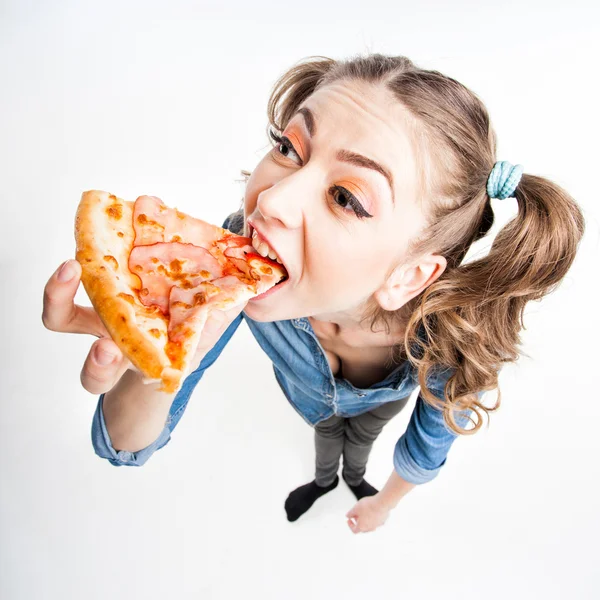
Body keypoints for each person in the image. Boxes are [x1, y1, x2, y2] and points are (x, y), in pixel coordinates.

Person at [42, 54, 585, 534]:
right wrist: (153, 356)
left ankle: (355, 479)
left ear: (408, 278)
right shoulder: (230, 260)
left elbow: (425, 447)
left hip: (380, 406)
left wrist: (385, 507)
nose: (271, 199)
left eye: (346, 197)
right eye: (288, 147)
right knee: (326, 433)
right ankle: (327, 479)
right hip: (305, 398)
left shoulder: (448, 338)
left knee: (363, 438)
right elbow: (125, 445)